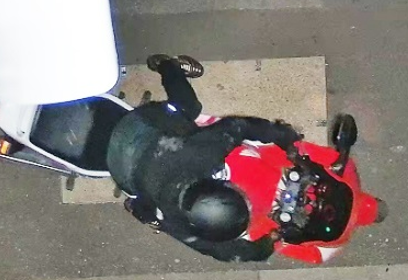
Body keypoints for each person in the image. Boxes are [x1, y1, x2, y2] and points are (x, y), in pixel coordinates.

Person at [106, 54, 303, 262]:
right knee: (147, 208)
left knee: (190, 109)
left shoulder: (204, 154)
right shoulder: (179, 221)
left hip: (144, 124)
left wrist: (282, 136)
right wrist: (263, 246)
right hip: (119, 165)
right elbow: (218, 251)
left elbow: (239, 126)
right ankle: (136, 208)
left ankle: (167, 65)